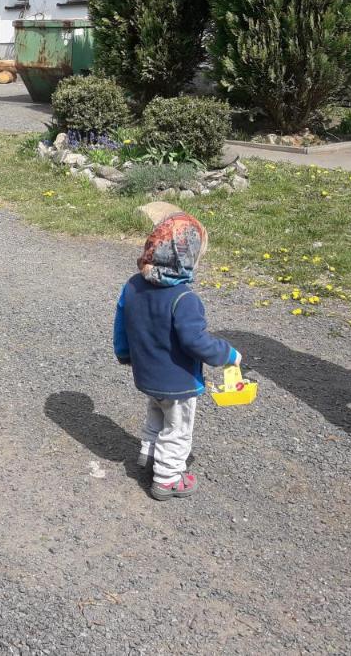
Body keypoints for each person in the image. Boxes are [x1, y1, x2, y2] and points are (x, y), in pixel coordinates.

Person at [113, 212, 243, 499]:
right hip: (177, 381)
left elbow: (121, 321)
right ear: (187, 258)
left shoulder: (133, 285)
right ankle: (167, 478)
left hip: (146, 373)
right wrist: (228, 354)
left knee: (155, 414)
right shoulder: (184, 299)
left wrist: (124, 354)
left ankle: (148, 455)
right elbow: (196, 342)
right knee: (177, 428)